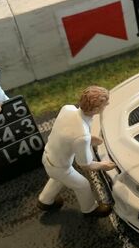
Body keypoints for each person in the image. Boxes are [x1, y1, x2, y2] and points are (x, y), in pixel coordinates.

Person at [37, 86, 115, 217]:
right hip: (60, 167)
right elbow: (85, 165)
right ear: (96, 109)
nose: (107, 104)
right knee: (82, 185)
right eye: (105, 104)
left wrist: (89, 139)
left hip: (47, 156)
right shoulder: (82, 136)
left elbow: (67, 133)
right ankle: (90, 209)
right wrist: (103, 165)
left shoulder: (67, 109)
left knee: (58, 178)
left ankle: (45, 201)